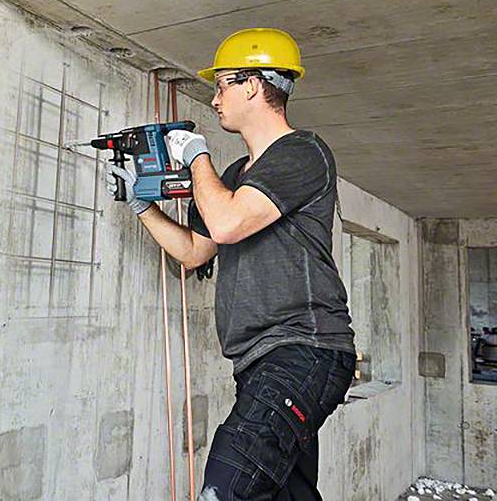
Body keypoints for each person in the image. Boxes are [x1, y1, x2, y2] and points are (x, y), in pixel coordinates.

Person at [107, 28, 357, 501]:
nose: (216, 98)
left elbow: (225, 224)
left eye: (222, 85)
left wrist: (196, 154)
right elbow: (196, 251)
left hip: (303, 349)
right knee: (289, 493)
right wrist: (143, 206)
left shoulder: (304, 152)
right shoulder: (234, 178)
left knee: (228, 483)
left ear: (253, 85)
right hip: (259, 361)